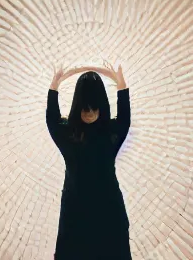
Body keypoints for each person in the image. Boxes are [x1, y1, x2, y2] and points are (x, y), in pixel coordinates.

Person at [47, 63, 132, 260]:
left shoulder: (110, 133)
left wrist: (120, 83)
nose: (90, 114)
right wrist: (55, 84)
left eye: (94, 108)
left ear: (102, 106)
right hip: (75, 214)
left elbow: (125, 118)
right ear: (77, 107)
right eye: (85, 109)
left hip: (109, 212)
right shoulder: (68, 134)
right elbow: (51, 119)